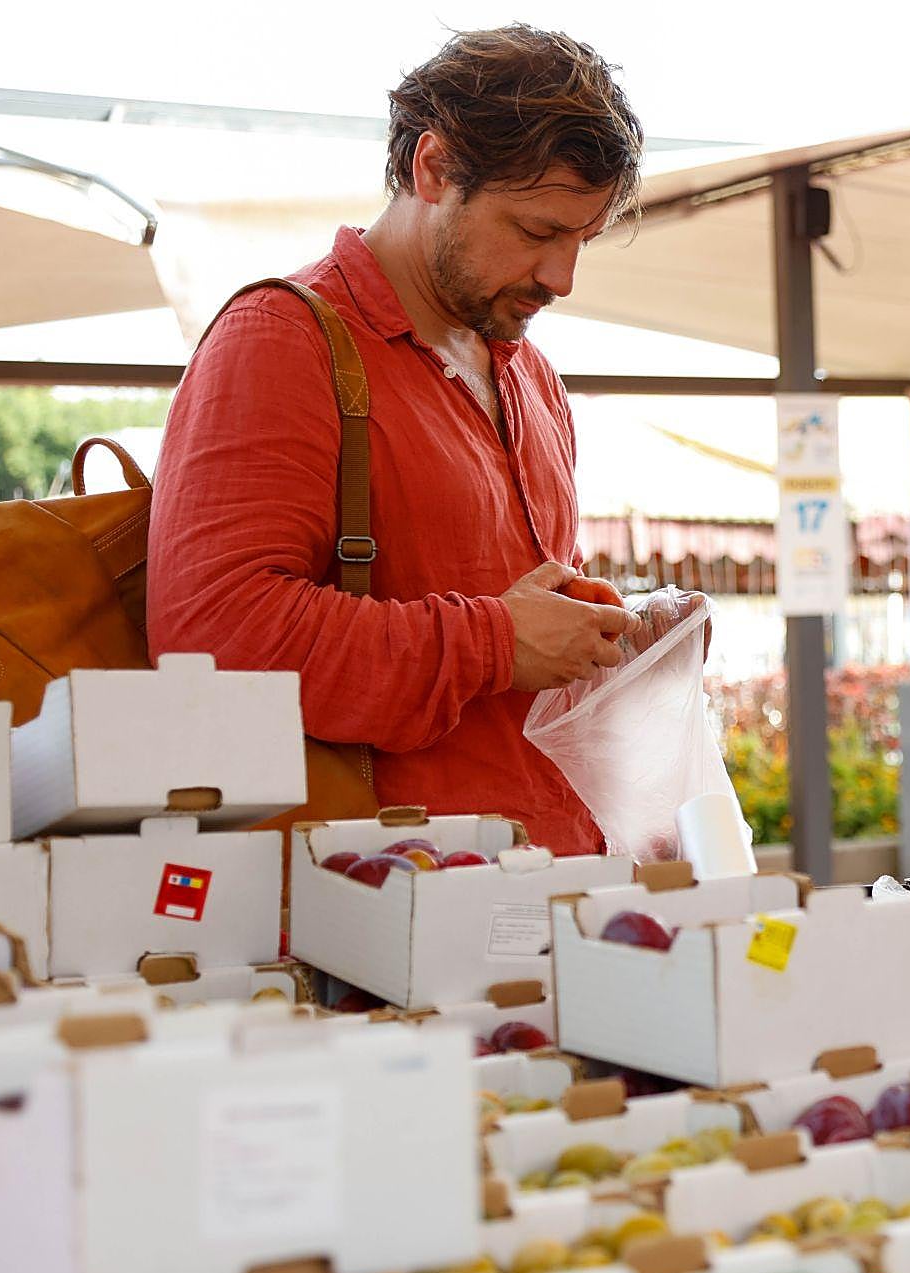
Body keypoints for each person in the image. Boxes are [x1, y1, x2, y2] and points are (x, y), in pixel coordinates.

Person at [148, 26, 645, 851]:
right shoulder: (281, 339)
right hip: (373, 918)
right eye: (536, 231)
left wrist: (607, 638)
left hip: (547, 890)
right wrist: (495, 639)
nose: (561, 279)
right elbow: (214, 637)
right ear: (434, 169)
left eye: (581, 240)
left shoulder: (532, 378)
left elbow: (517, 622)